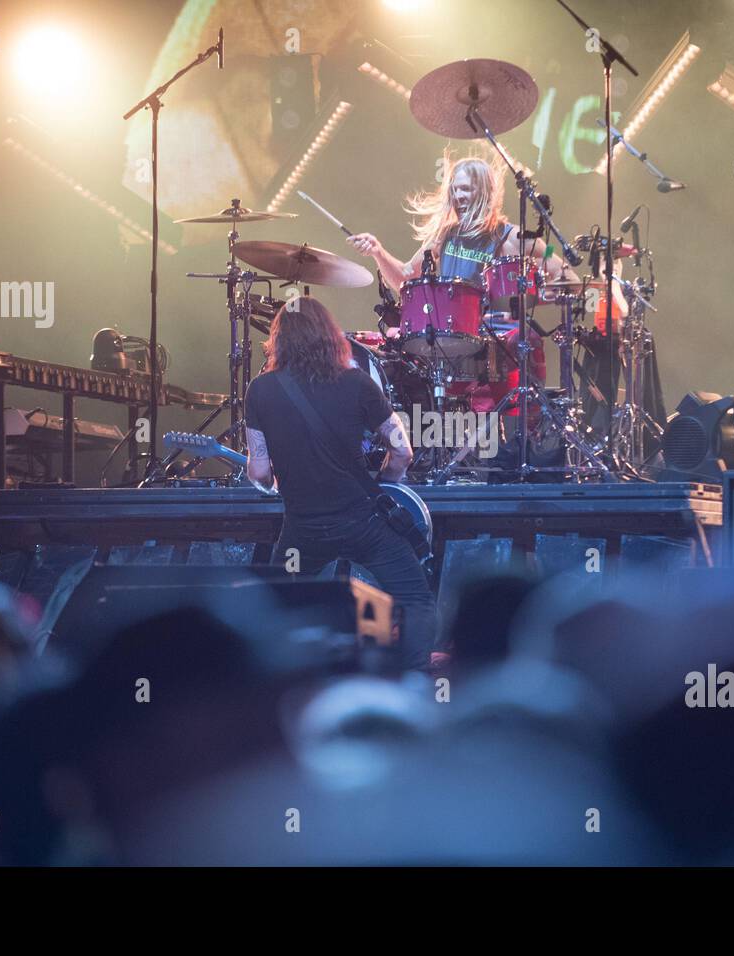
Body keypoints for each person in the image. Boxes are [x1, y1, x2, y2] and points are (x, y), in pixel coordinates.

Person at [243, 296, 436, 669]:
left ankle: (283, 683)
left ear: (278, 340)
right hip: (363, 522)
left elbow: (259, 472)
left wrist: (277, 481)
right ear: (329, 336)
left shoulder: (260, 390)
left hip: (303, 528)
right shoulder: (357, 382)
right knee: (415, 600)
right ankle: (415, 680)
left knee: (276, 605)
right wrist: (385, 486)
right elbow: (402, 451)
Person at [346, 154, 576, 417]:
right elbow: (404, 279)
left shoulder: (513, 237)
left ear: (485, 191)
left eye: (465, 189)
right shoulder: (444, 236)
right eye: (454, 189)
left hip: (499, 340)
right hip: (451, 340)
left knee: (525, 344)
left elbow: (564, 273)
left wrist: (531, 295)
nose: (458, 196)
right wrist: (378, 252)